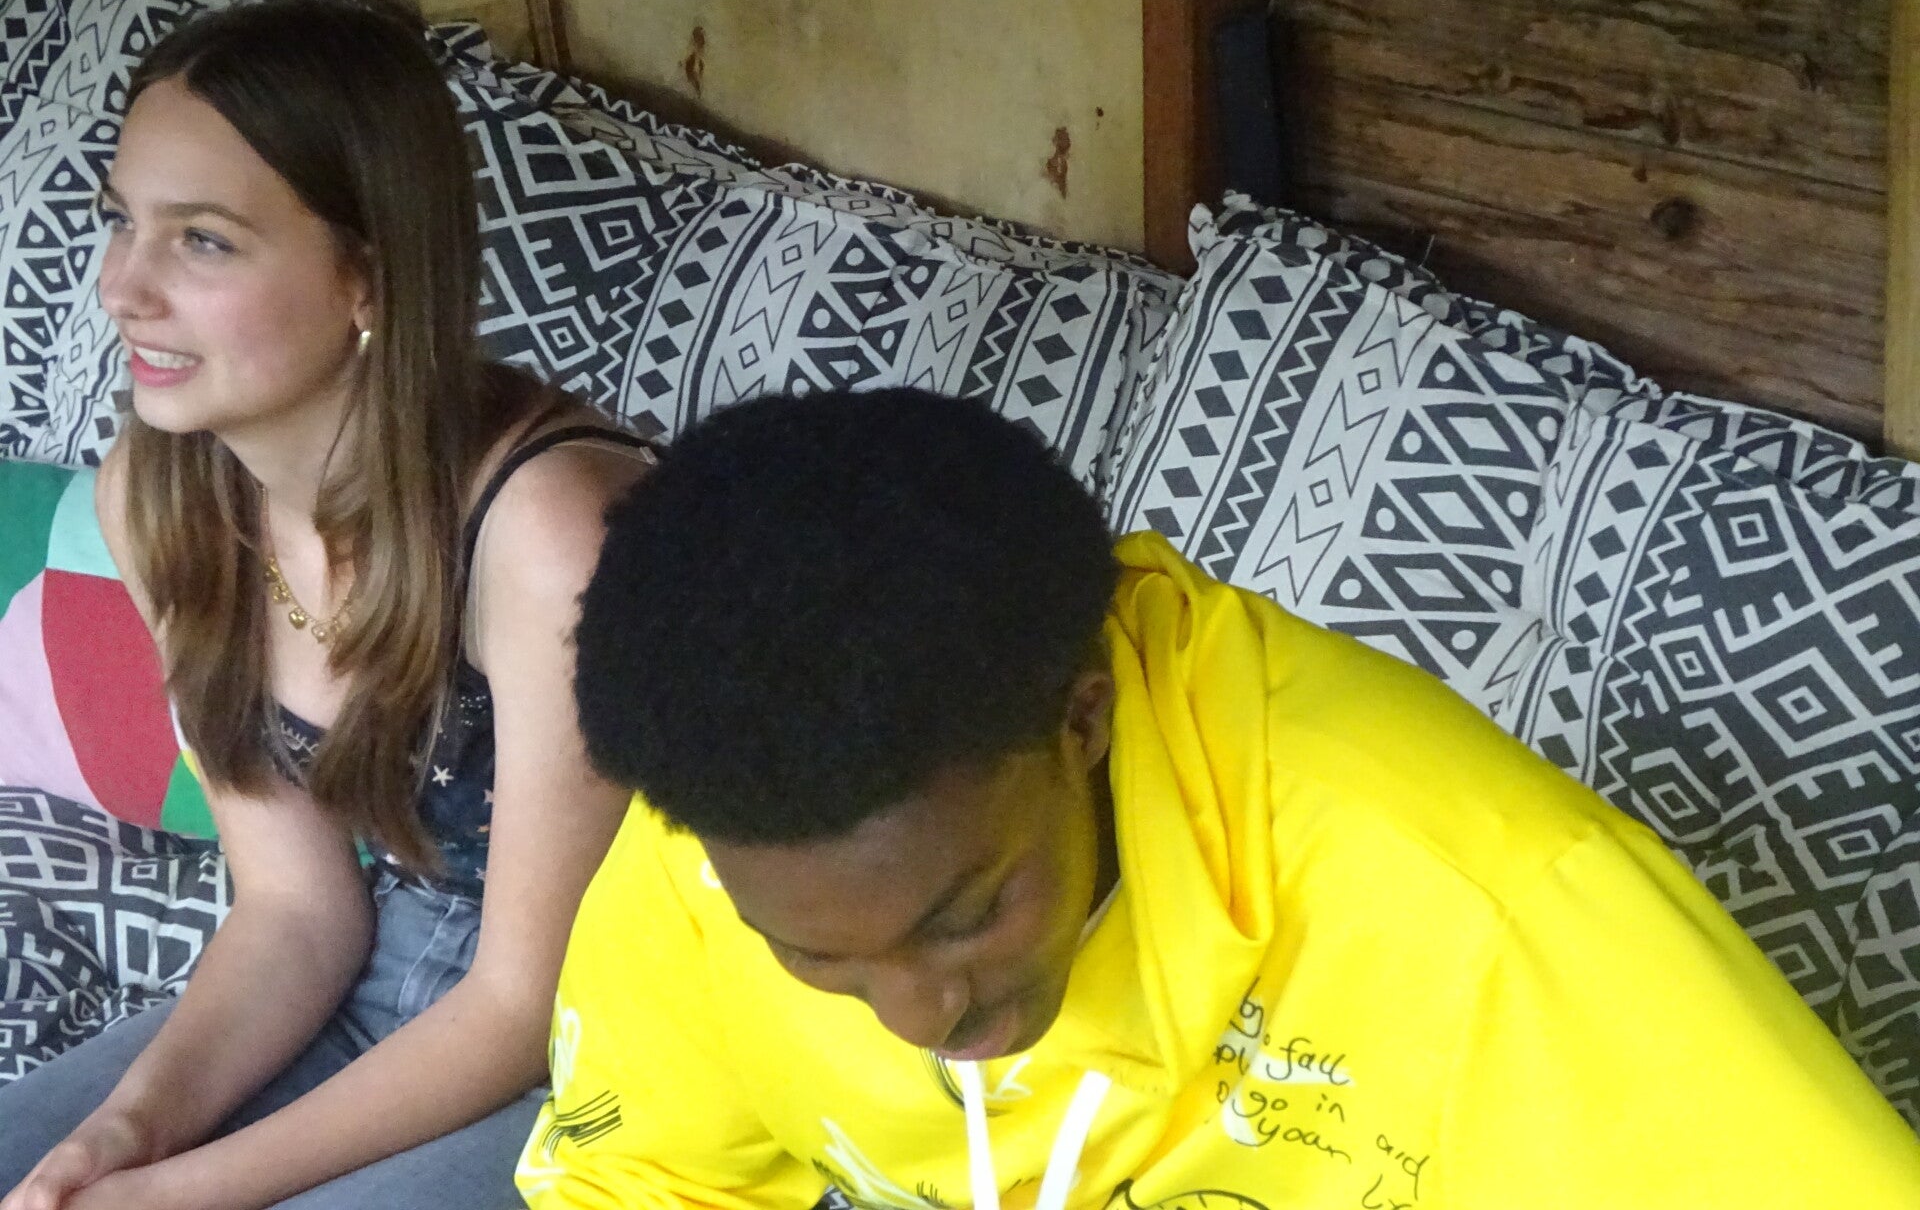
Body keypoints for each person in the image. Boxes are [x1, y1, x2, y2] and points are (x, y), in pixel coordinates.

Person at [523, 386, 1920, 1210]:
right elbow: (634, 1182)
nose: (918, 1017)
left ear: (1080, 721)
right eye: (818, 961)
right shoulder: (736, 814)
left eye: (966, 915)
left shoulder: (1477, 902)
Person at [0, 0, 651, 1209]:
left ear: (368, 276)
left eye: (203, 242)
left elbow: (523, 1005)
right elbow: (298, 908)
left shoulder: (551, 533)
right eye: (120, 220)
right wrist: (126, 1135)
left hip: (604, 1046)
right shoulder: (160, 493)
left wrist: (178, 1193)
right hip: (372, 972)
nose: (123, 287)